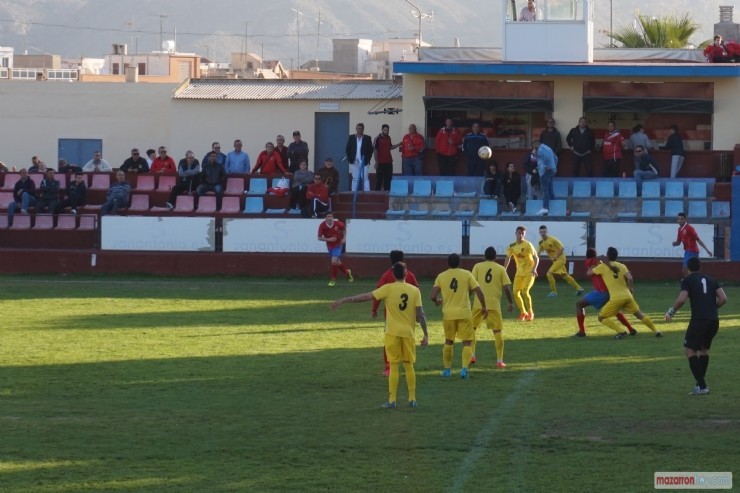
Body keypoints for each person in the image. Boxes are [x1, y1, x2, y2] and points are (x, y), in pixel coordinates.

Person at [331, 262, 428, 409]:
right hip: (408, 333)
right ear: (406, 274)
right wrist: (426, 334)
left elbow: (365, 297)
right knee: (409, 365)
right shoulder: (415, 291)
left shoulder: (388, 289)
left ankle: (392, 400)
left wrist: (344, 300)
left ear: (393, 274)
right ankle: (412, 399)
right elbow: (420, 314)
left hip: (392, 333)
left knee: (394, 366)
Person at [664, 257, 727, 395]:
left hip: (699, 320)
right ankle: (700, 385)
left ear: (688, 268)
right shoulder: (711, 279)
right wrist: (713, 308)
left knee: (690, 351)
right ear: (700, 267)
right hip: (713, 320)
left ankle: (702, 386)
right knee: (703, 350)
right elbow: (723, 299)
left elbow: (681, 299)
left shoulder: (687, 280)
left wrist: (671, 311)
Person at [431, 253, 487, 379]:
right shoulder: (467, 274)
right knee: (467, 342)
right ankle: (464, 369)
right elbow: (479, 291)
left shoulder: (441, 276)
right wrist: (484, 306)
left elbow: (432, 295)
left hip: (448, 314)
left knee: (449, 341)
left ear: (448, 263)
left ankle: (447, 370)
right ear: (459, 263)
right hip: (464, 313)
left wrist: (437, 301)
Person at [587, 247, 661, 338]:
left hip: (616, 298)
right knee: (639, 314)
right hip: (628, 296)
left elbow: (589, 273)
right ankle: (656, 331)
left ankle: (621, 331)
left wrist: (594, 264)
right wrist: (630, 288)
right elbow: (630, 278)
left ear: (607, 255)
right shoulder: (622, 266)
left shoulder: (602, 267)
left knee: (601, 317)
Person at [373, 250, 420, 377]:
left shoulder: (386, 275)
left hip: (391, 316)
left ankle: (389, 367)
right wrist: (417, 314)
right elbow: (417, 292)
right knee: (407, 339)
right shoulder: (409, 275)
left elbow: (377, 295)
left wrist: (374, 310)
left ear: (390, 260)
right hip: (407, 316)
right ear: (403, 260)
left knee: (389, 340)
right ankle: (407, 365)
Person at [574, 248, 636, 337]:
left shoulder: (589, 261)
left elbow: (591, 270)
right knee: (615, 311)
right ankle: (631, 328)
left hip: (601, 293)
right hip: (609, 292)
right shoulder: (601, 262)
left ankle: (582, 331)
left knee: (579, 304)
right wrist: (608, 264)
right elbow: (603, 258)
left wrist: (603, 262)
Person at [470, 247, 513, 368]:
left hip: (478, 304)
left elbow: (472, 285)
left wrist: (467, 298)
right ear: (495, 257)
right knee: (497, 332)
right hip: (494, 305)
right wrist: (510, 302)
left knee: (472, 329)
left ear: (484, 256)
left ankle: (472, 355)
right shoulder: (500, 269)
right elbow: (506, 288)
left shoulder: (477, 266)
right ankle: (499, 360)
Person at [537, 225, 584, 298]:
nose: (543, 233)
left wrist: (556, 256)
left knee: (549, 274)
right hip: (555, 261)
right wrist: (535, 259)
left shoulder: (552, 239)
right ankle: (579, 288)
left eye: (544, 232)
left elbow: (562, 248)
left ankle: (554, 292)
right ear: (539, 233)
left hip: (560, 259)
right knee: (564, 275)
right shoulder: (540, 242)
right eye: (541, 232)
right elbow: (538, 252)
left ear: (547, 232)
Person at [504, 225, 539, 321]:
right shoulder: (512, 246)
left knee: (525, 291)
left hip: (529, 271)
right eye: (519, 233)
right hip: (519, 273)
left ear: (525, 234)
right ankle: (523, 312)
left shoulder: (528, 245)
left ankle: (531, 312)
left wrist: (534, 269)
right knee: (515, 292)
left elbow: (536, 257)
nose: (520, 235)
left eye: (522, 233)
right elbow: (508, 257)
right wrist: (504, 269)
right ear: (515, 233)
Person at [318, 212, 353, 287]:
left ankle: (333, 279)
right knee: (337, 262)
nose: (330, 218)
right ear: (325, 218)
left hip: (338, 245)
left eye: (331, 216)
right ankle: (347, 272)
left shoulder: (338, 224)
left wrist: (344, 238)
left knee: (333, 261)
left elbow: (344, 229)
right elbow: (319, 237)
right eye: (328, 216)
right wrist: (329, 239)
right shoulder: (322, 225)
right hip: (330, 246)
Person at [673, 212, 712, 277]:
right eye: (678, 219)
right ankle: (693, 283)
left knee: (686, 269)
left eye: (681, 219)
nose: (679, 220)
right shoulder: (680, 229)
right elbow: (678, 242)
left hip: (692, 251)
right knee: (690, 271)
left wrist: (707, 250)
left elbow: (698, 239)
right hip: (687, 251)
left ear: (685, 220)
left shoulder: (689, 228)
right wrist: (675, 243)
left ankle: (689, 284)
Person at [345, 123, 374, 192]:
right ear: (356, 129)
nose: (359, 130)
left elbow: (370, 150)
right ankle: (353, 192)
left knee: (365, 178)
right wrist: (350, 160)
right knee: (355, 178)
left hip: (364, 161)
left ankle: (367, 192)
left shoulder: (367, 138)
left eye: (361, 128)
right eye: (358, 128)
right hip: (354, 162)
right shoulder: (351, 137)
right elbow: (347, 149)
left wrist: (367, 160)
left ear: (363, 129)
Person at [373, 124, 400, 191]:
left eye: (387, 130)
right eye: (385, 130)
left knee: (388, 179)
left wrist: (399, 144)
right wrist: (376, 162)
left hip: (389, 162)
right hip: (380, 162)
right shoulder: (377, 138)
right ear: (382, 130)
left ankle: (387, 193)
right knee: (379, 180)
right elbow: (375, 150)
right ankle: (377, 194)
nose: (386, 131)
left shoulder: (388, 138)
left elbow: (390, 147)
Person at [532, 140, 557, 215]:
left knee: (545, 190)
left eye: (533, 148)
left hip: (545, 172)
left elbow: (545, 158)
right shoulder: (548, 148)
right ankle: (554, 204)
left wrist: (547, 166)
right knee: (550, 189)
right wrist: (553, 167)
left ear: (535, 146)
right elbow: (556, 158)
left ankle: (545, 207)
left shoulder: (540, 149)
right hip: (552, 171)